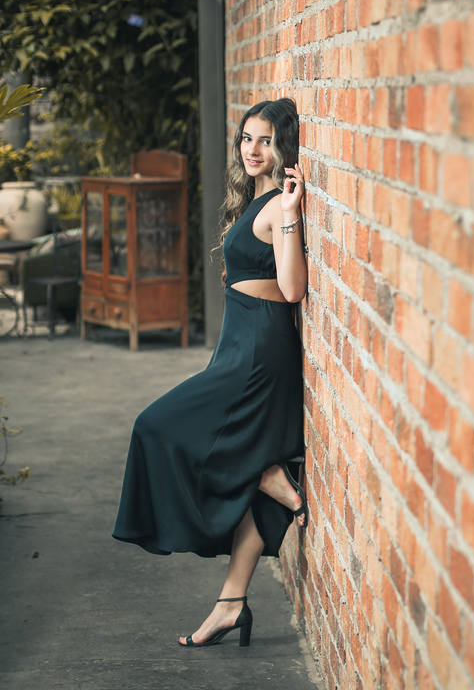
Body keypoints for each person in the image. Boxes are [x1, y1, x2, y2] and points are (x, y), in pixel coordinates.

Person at [113, 98, 309, 648]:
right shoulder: (250, 204)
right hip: (239, 346)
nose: (252, 149)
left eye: (266, 140)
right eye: (247, 138)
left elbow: (292, 291)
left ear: (283, 148)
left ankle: (271, 475)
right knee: (246, 485)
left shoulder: (277, 206)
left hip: (258, 352)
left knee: (156, 426)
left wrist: (291, 210)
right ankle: (231, 604)